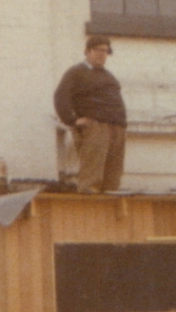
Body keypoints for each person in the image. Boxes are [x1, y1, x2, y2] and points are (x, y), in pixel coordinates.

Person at [54, 35, 127, 193]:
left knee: (113, 177)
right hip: (95, 128)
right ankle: (90, 210)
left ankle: (108, 212)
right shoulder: (76, 72)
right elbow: (61, 96)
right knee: (92, 177)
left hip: (116, 128)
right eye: (97, 50)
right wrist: (72, 120)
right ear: (87, 51)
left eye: (105, 51)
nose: (102, 54)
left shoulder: (108, 76)